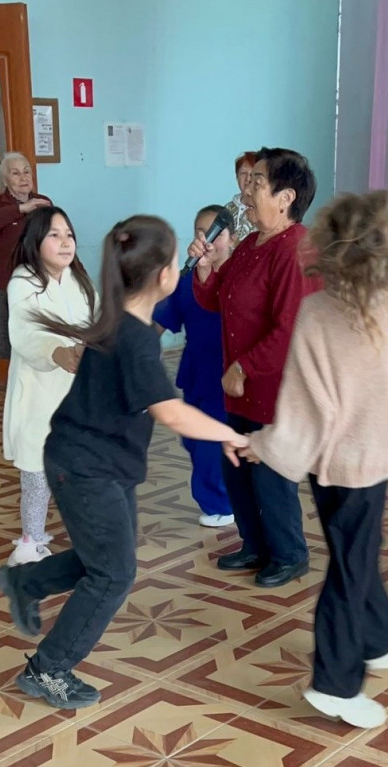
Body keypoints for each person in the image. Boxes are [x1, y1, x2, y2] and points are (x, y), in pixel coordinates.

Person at [241, 191, 388, 728]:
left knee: (355, 553)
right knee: (350, 566)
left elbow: (302, 410)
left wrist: (265, 446)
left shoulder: (315, 312)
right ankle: (335, 684)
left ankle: (382, 637)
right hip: (370, 466)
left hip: (327, 467)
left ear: (328, 247)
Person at [0, 215, 248, 710]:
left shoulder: (121, 321)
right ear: (164, 274)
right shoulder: (132, 336)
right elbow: (170, 411)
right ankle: (48, 668)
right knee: (113, 574)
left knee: (107, 558)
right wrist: (228, 434)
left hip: (96, 462)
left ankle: (26, 582)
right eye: (175, 258)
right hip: (84, 467)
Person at [190, 147, 319, 588]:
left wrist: (244, 367)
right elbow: (217, 298)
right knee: (238, 468)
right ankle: (255, 545)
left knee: (270, 474)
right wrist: (205, 268)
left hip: (275, 387)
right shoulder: (251, 244)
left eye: (257, 183)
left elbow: (291, 327)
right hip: (242, 388)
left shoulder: (295, 248)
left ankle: (289, 554)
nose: (246, 191)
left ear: (285, 197)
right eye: (248, 182)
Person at [4, 206, 97, 565]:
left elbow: (97, 323)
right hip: (38, 394)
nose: (65, 242)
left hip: (75, 393)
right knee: (37, 471)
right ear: (35, 240)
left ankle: (87, 539)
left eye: (69, 235)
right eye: (54, 235)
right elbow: (26, 333)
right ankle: (29, 543)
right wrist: (58, 353)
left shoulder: (79, 281)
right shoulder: (23, 282)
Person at [153, 205, 235, 527]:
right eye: (201, 232)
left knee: (209, 444)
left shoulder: (238, 279)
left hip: (225, 374)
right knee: (192, 439)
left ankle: (220, 503)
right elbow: (160, 320)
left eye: (216, 233)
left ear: (232, 238)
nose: (207, 239)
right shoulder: (186, 279)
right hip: (195, 371)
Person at [0, 153, 52, 358]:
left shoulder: (43, 202)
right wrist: (21, 209)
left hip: (42, 282)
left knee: (44, 343)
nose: (24, 177)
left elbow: (55, 237)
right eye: (16, 173)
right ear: (5, 180)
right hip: (11, 285)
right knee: (16, 347)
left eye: (26, 172)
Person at [224, 151, 257, 242]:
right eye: (243, 173)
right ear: (237, 177)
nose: (248, 179)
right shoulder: (227, 210)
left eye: (253, 174)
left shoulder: (265, 211)